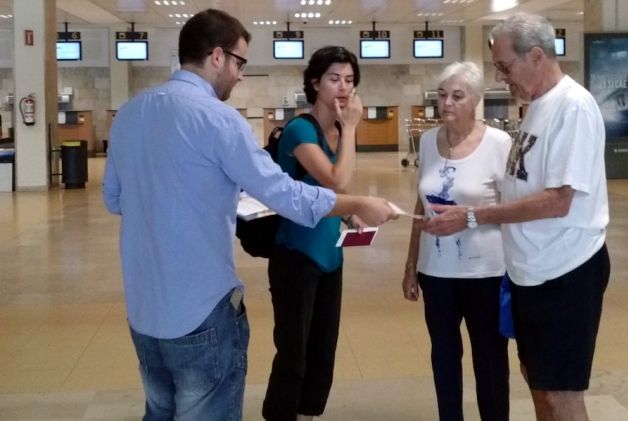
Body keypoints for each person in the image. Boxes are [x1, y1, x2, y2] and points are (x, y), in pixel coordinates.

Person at [102, 10, 396, 420]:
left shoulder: (131, 113)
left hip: (144, 306)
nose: (240, 75)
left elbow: (114, 199)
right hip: (200, 307)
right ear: (217, 56)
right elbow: (284, 194)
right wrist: (357, 204)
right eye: (240, 62)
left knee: (161, 410)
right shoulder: (219, 119)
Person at [422, 13, 610, 421]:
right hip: (531, 273)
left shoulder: (572, 107)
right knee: (538, 381)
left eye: (505, 67)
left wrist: (474, 215)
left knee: (561, 393)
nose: (501, 77)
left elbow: (559, 200)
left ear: (537, 56)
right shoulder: (537, 106)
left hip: (565, 271)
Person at [402, 61, 512, 421]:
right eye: (442, 94)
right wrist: (411, 265)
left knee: (490, 361)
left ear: (476, 100)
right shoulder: (429, 142)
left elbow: (513, 209)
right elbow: (422, 204)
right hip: (437, 274)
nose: (447, 102)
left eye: (457, 96)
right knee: (444, 357)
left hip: (485, 272)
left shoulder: (499, 144)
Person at [262, 46, 364, 421]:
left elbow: (334, 193)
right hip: (296, 255)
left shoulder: (338, 131)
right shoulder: (300, 130)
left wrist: (349, 214)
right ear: (315, 83)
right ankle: (280, 413)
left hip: (329, 253)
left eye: (350, 81)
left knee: (323, 347)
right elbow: (336, 178)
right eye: (335, 79)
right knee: (293, 349)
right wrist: (351, 128)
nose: (343, 88)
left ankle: (306, 412)